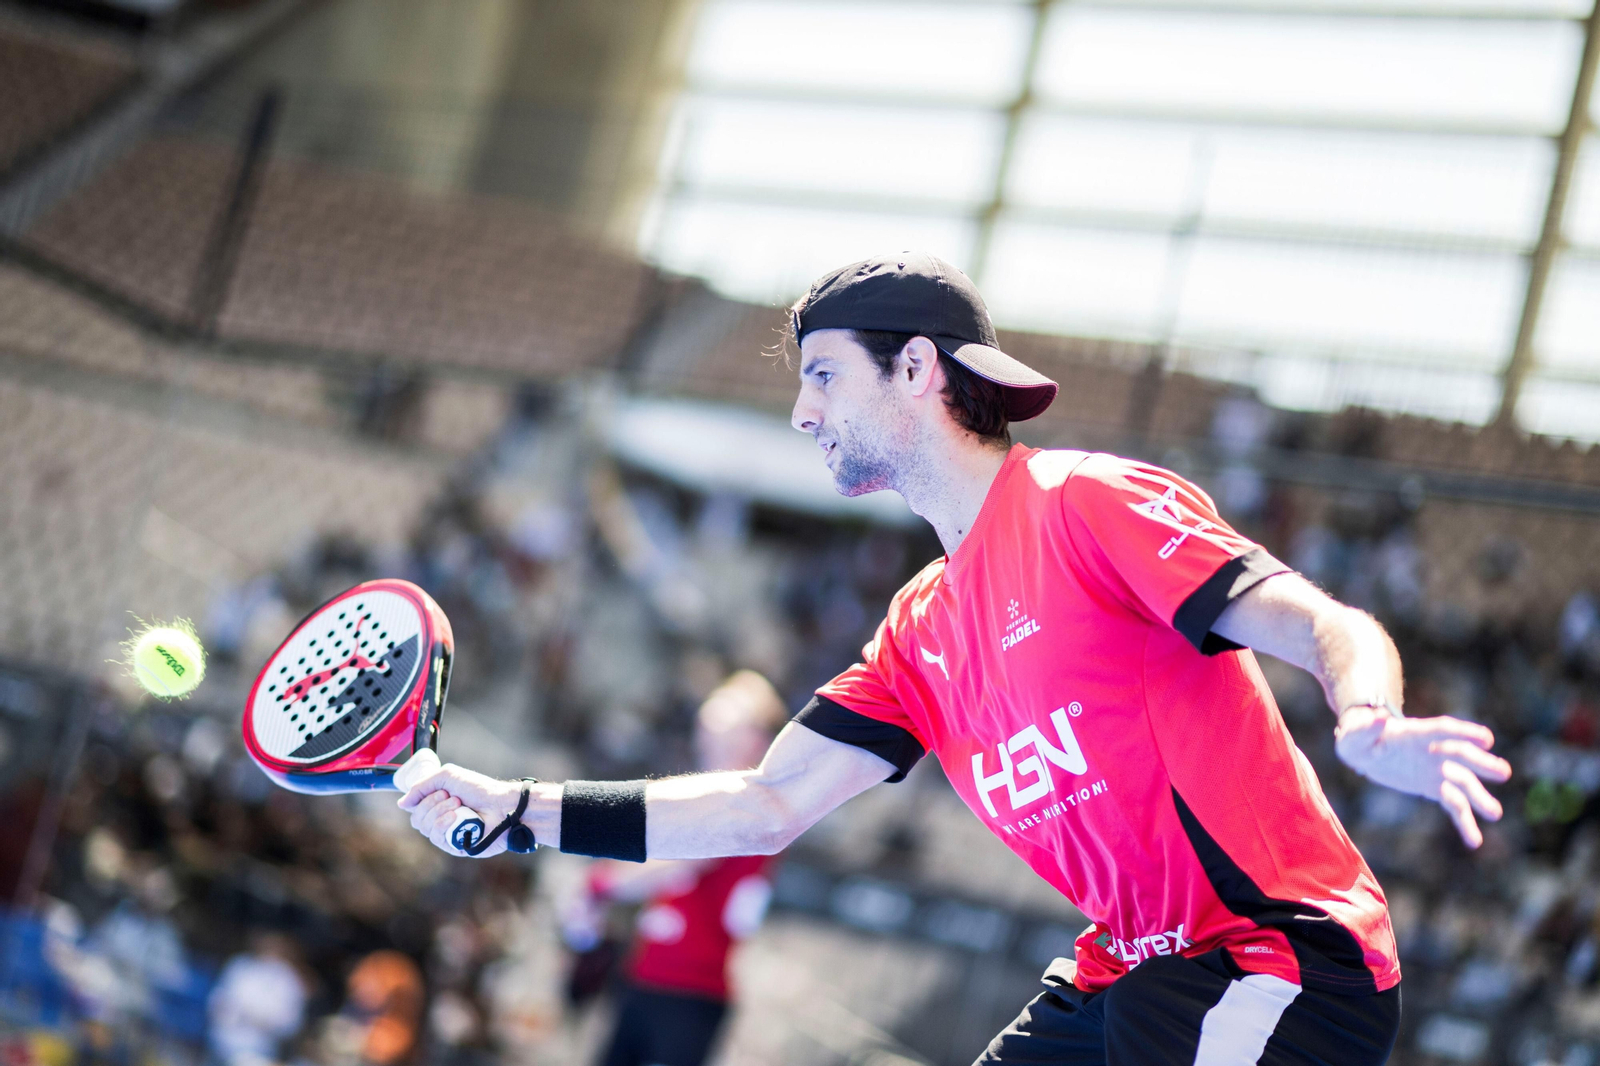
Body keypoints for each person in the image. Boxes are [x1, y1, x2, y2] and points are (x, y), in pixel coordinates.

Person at [399, 253, 1513, 1065]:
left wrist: (1370, 718)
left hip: (1275, 959)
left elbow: (1324, 622)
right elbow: (759, 803)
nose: (799, 411)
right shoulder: (918, 629)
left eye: (823, 375)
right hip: (1121, 972)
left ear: (919, 367)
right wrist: (518, 807)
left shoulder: (1086, 503)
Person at [562, 670, 785, 1066]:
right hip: (647, 976)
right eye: (708, 726)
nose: (709, 737)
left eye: (724, 727)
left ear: (756, 738)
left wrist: (600, 885)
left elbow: (680, 859)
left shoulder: (748, 800)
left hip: (690, 990)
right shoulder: (704, 797)